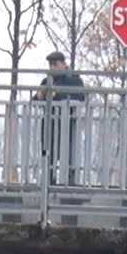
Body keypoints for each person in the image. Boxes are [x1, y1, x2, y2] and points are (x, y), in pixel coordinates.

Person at [34, 51, 86, 185]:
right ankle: (48, 180)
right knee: (48, 153)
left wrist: (54, 94)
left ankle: (70, 182)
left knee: (68, 154)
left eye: (55, 64)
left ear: (63, 64)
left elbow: (79, 97)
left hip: (68, 124)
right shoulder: (47, 81)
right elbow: (36, 100)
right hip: (50, 124)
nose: (52, 68)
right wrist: (39, 96)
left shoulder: (74, 79)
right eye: (50, 65)